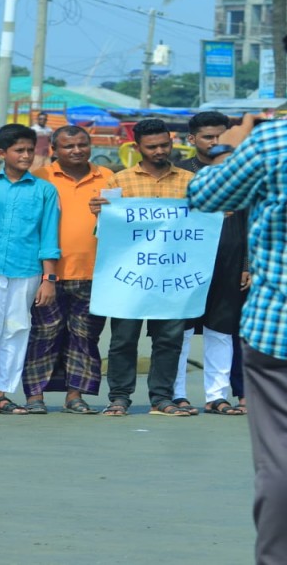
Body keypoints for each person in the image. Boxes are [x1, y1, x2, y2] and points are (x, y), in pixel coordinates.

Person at [186, 112, 287, 563]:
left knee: (279, 463)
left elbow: (204, 193)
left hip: (278, 329)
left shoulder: (272, 141)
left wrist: (231, 145)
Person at [89, 118, 193, 417]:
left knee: (169, 339)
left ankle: (162, 399)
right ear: (137, 147)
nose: (160, 151)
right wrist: (100, 214)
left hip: (174, 274)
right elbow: (106, 231)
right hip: (130, 276)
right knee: (123, 339)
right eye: (152, 146)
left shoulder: (190, 181)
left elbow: (201, 225)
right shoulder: (118, 182)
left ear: (171, 142)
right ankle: (119, 398)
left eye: (165, 144)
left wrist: (215, 215)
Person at [0, 124, 59, 415]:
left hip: (28, 269)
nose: (26, 155)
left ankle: (2, 393)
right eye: (19, 150)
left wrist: (49, 279)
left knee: (18, 328)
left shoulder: (45, 190)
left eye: (31, 150)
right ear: (2, 153)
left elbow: (49, 235)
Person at [23, 125, 113, 414]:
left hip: (95, 273)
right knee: (43, 334)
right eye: (68, 146)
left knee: (85, 337)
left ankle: (75, 396)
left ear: (90, 145)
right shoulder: (39, 178)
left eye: (82, 145)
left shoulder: (109, 179)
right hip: (47, 274)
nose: (76, 151)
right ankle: (34, 396)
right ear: (54, 150)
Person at [174, 111, 249, 416]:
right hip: (183, 265)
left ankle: (217, 396)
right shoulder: (178, 174)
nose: (215, 142)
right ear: (192, 140)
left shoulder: (241, 175)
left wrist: (247, 263)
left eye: (221, 136)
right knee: (180, 332)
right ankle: (176, 394)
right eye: (208, 137)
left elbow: (251, 222)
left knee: (222, 330)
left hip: (230, 262)